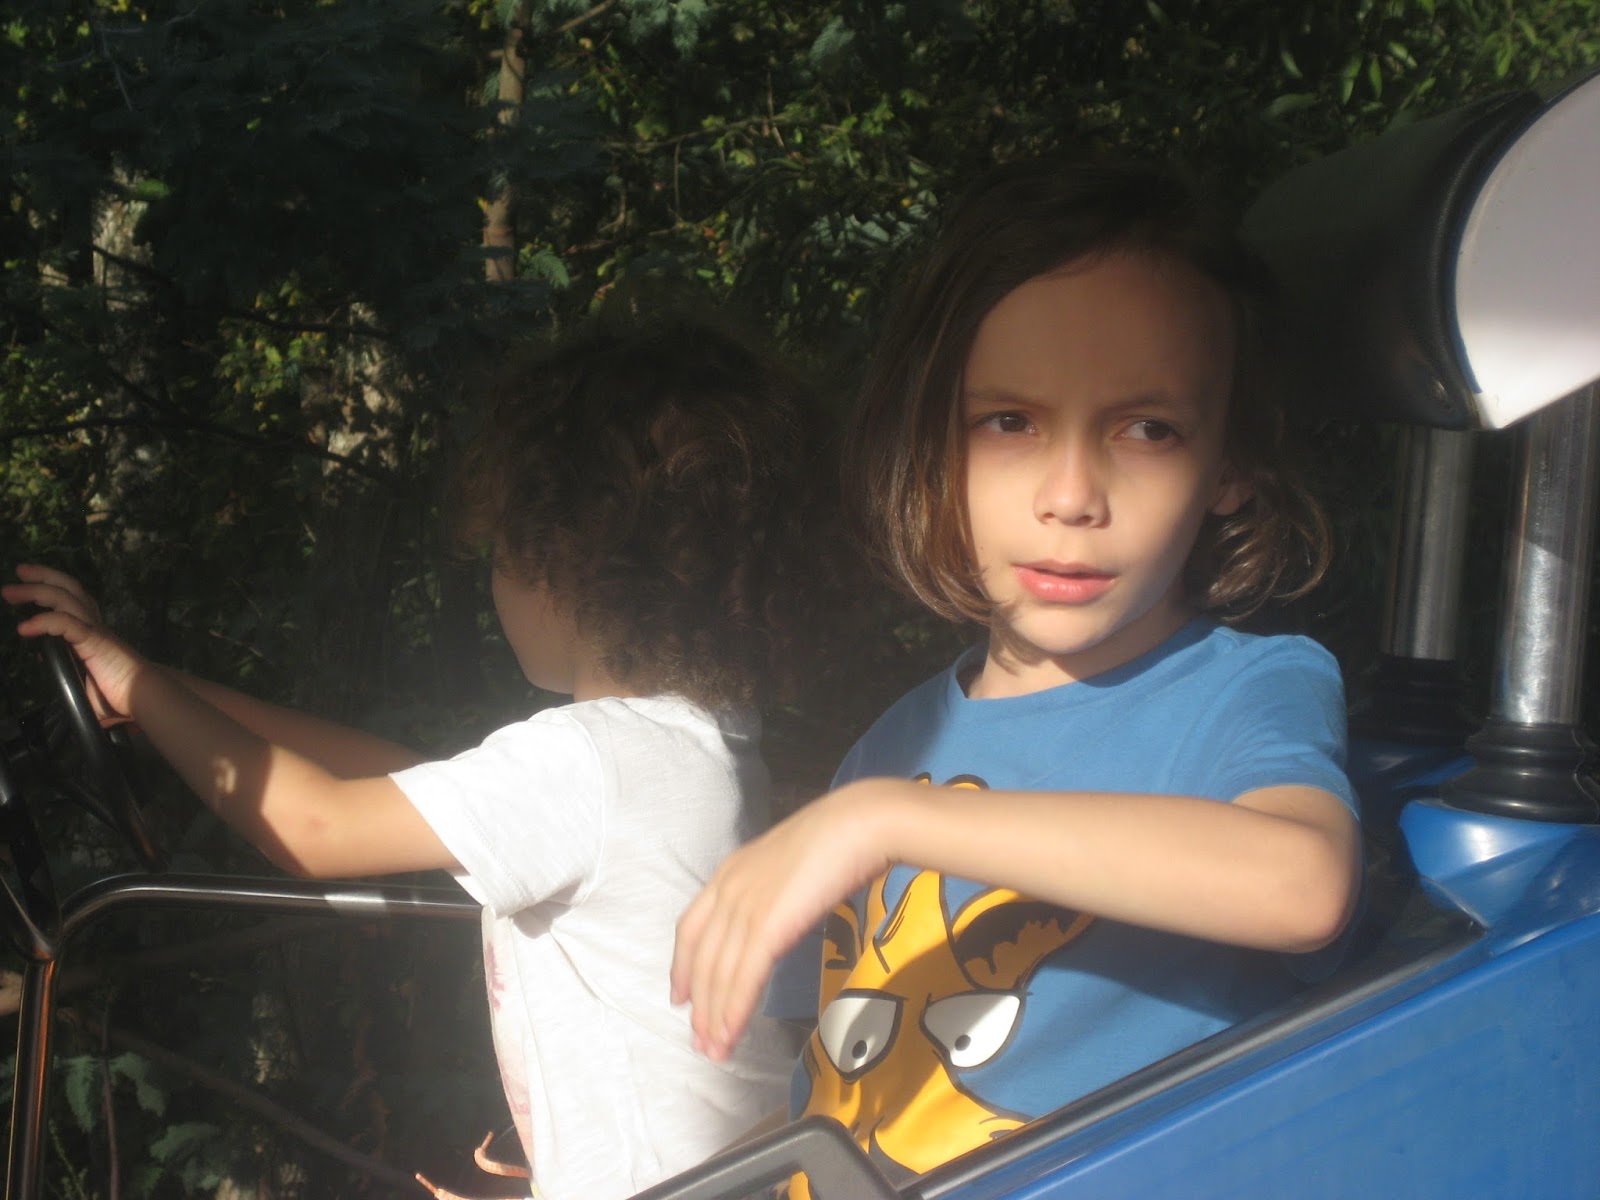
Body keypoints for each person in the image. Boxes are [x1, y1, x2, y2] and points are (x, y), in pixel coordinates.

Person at [7, 310, 831, 1200]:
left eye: (501, 550)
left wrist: (140, 689)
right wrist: (162, 692)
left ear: (560, 563)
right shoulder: (690, 742)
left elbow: (318, 825)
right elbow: (391, 774)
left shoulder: (590, 763)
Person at [669, 158, 1363, 1193]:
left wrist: (883, 820)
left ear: (1231, 467)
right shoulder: (895, 745)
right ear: (933, 448)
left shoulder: (1244, 691)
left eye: (1148, 429)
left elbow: (1301, 886)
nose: (1071, 495)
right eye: (1010, 422)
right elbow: (834, 1104)